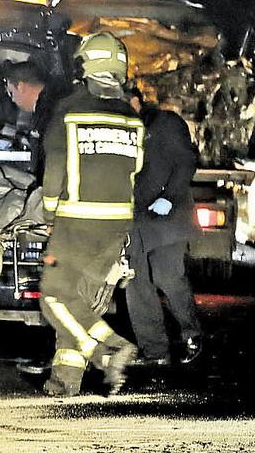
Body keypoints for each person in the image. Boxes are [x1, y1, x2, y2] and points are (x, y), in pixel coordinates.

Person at [38, 32, 145, 396]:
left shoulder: (69, 109)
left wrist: (50, 209)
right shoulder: (131, 116)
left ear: (83, 66)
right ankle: (65, 380)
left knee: (53, 295)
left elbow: (55, 167)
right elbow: (136, 168)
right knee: (79, 298)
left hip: (76, 221)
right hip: (117, 225)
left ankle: (106, 352)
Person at [125, 91, 204, 367]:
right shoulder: (122, 128)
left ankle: (191, 334)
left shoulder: (166, 124)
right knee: (135, 283)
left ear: (137, 101)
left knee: (167, 276)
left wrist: (169, 196)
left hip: (168, 216)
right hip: (134, 217)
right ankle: (154, 350)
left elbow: (185, 162)